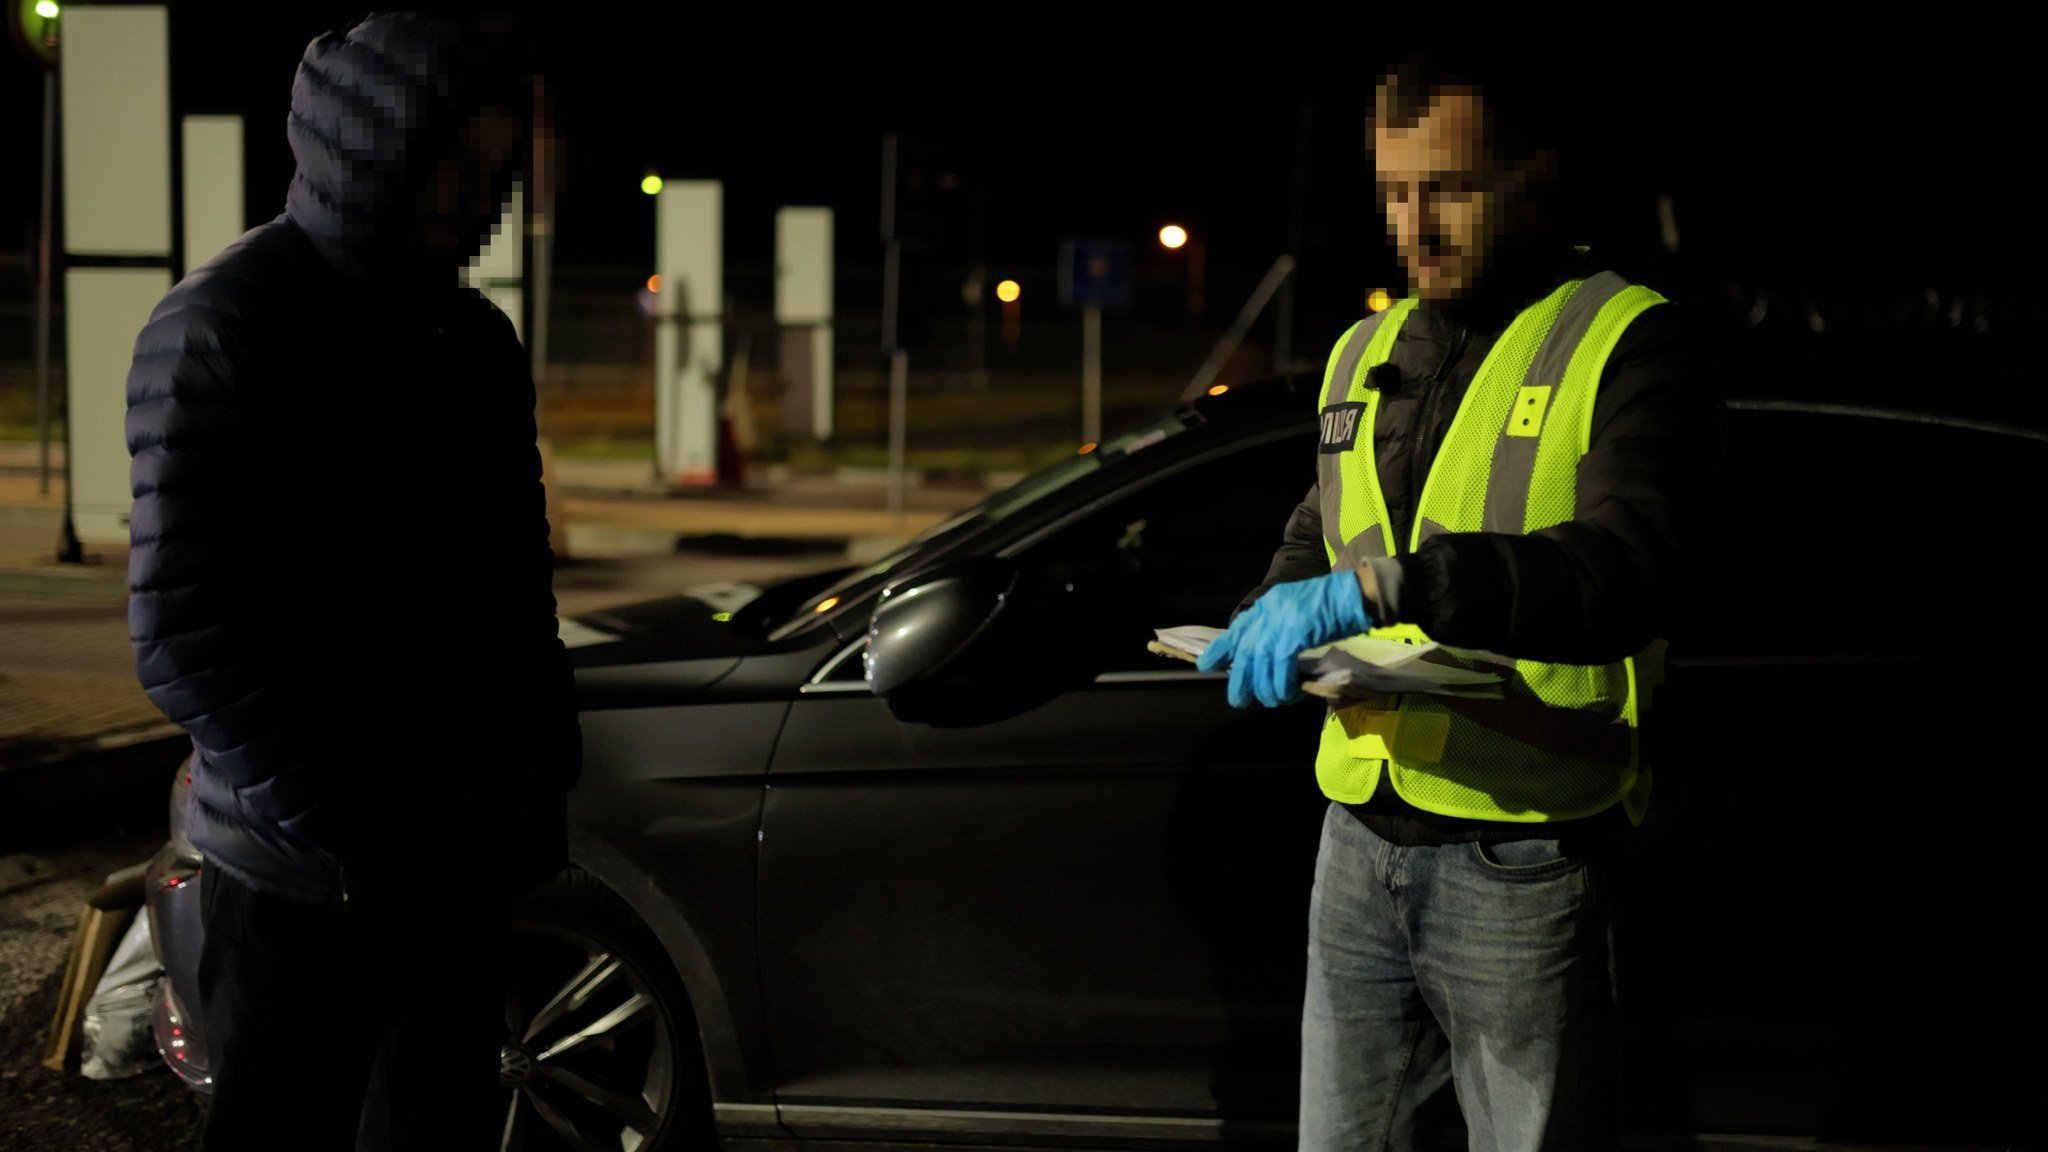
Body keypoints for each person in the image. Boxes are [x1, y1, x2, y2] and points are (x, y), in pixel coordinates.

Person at [1196, 53, 1724, 1151]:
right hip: (1356, 838)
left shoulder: (1624, 336)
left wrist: (1384, 590)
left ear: (1533, 177)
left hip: (1523, 850)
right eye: (1393, 191)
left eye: (1450, 189)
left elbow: (1626, 567)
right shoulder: (1363, 349)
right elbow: (1321, 529)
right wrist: (1268, 611)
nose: (1414, 224)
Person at [124, 12, 578, 1150]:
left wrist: (537, 773)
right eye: (455, 165)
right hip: (298, 883)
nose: (483, 199)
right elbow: (182, 633)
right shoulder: (226, 323)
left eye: (498, 169)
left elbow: (514, 586)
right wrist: (339, 821)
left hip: (458, 871)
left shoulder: (473, 341)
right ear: (373, 152)